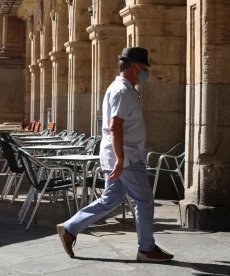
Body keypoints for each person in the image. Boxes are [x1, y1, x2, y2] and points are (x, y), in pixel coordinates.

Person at [56, 47, 174, 262]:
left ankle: (70, 228)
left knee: (110, 200)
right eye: (144, 68)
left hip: (120, 155)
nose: (145, 73)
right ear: (135, 67)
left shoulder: (121, 88)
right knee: (144, 200)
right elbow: (115, 127)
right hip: (126, 156)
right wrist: (121, 160)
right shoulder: (123, 90)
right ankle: (146, 249)